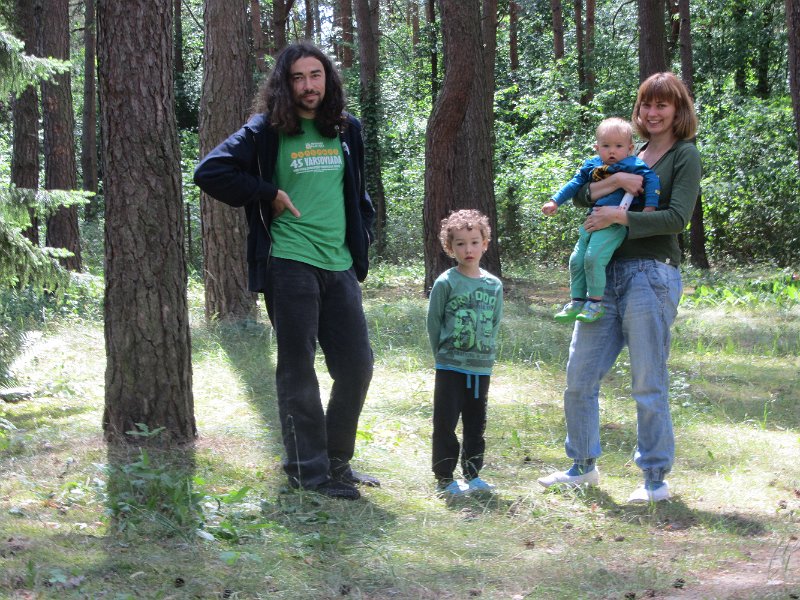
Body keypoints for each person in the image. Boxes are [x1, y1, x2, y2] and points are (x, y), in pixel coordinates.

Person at [193, 42, 377, 500]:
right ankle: (307, 472)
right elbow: (210, 171)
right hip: (290, 262)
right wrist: (268, 193)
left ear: (327, 79)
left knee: (356, 366)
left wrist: (363, 234)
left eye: (315, 75)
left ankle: (336, 462)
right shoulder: (265, 130)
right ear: (284, 84)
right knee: (298, 369)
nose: (308, 85)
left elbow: (358, 191)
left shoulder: (347, 128)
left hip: (339, 264)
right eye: (297, 77)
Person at [537, 72, 701, 503]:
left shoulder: (684, 155)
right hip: (603, 277)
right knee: (579, 377)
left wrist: (618, 216)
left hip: (651, 274)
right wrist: (613, 184)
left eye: (662, 105)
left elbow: (676, 218)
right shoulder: (628, 150)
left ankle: (654, 479)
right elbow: (581, 193)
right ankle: (582, 466)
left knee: (647, 381)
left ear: (678, 110)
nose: (653, 112)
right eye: (647, 104)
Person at [543, 117, 661, 324]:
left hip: (613, 224)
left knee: (593, 258)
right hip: (592, 220)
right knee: (576, 260)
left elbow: (652, 180)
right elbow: (575, 185)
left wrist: (650, 206)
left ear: (630, 148)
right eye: (606, 146)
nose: (612, 151)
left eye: (618, 146)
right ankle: (577, 301)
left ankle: (595, 303)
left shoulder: (634, 165)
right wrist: (555, 201)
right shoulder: (592, 165)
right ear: (597, 147)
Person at [427, 210, 504, 497]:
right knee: (445, 423)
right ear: (450, 247)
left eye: (474, 242)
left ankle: (473, 474)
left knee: (476, 424)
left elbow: (495, 322)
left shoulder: (494, 285)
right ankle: (444, 478)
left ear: (485, 244)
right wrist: (442, 355)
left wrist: (485, 355)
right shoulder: (446, 282)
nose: (468, 249)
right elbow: (434, 322)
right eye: (460, 243)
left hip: (480, 368)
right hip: (450, 366)